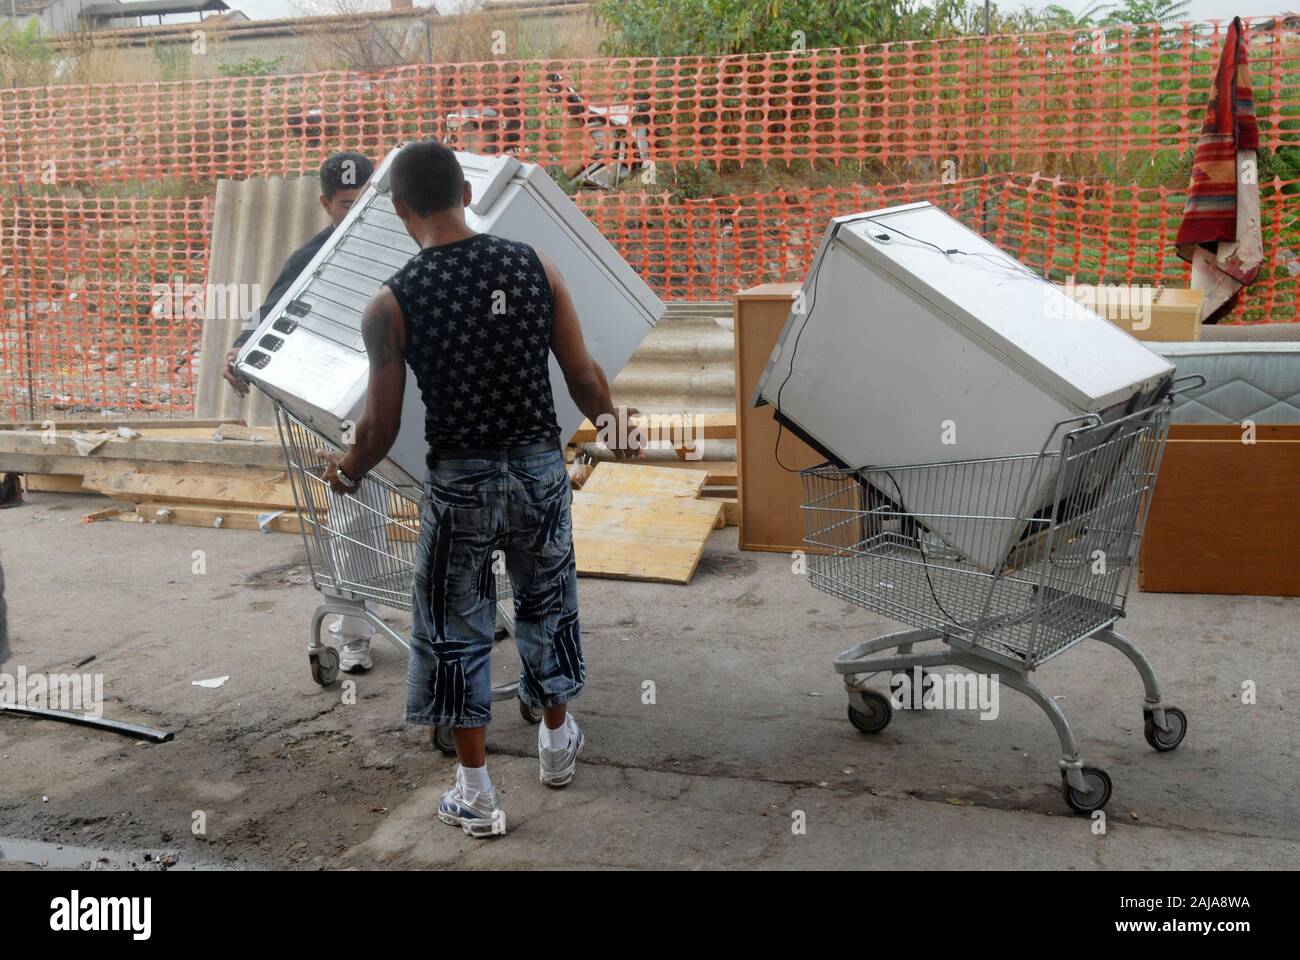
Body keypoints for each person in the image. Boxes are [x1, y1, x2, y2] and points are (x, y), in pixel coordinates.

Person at [321, 139, 638, 837]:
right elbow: (582, 375)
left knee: (454, 625)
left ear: (401, 209)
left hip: (461, 481)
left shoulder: (392, 303)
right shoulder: (535, 267)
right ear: (466, 192)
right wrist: (613, 424)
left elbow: (379, 425)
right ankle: (555, 746)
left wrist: (347, 471)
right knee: (546, 604)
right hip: (537, 470)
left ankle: (477, 793)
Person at [223, 150, 382, 673]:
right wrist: (242, 350)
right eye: (343, 204)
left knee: (447, 505)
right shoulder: (310, 259)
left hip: (412, 392)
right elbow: (269, 314)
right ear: (324, 203)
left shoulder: (403, 242)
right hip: (349, 404)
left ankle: (470, 609)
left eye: (363, 201)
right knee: (355, 510)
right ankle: (354, 630)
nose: (353, 211)